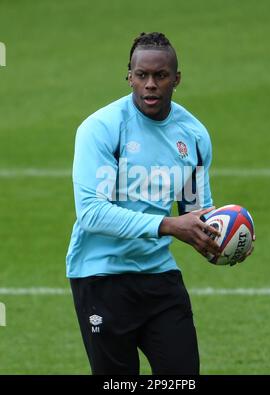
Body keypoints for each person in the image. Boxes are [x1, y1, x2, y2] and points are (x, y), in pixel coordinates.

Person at [66, 32, 249, 375]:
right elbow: (91, 213)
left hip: (158, 276)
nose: (150, 84)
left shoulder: (193, 135)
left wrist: (221, 239)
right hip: (101, 276)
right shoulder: (101, 128)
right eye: (142, 75)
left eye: (160, 76)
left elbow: (195, 212)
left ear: (176, 78)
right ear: (129, 76)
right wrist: (167, 226)